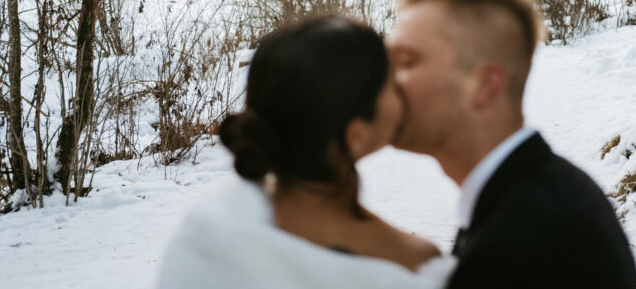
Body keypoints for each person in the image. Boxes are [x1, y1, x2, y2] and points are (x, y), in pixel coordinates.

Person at [156, 15, 451, 289]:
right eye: (391, 84)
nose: (404, 88)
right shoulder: (413, 267)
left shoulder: (201, 236)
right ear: (356, 136)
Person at [386, 0, 636, 289]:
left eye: (407, 62)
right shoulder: (546, 193)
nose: (386, 81)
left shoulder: (511, 250)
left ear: (484, 85)